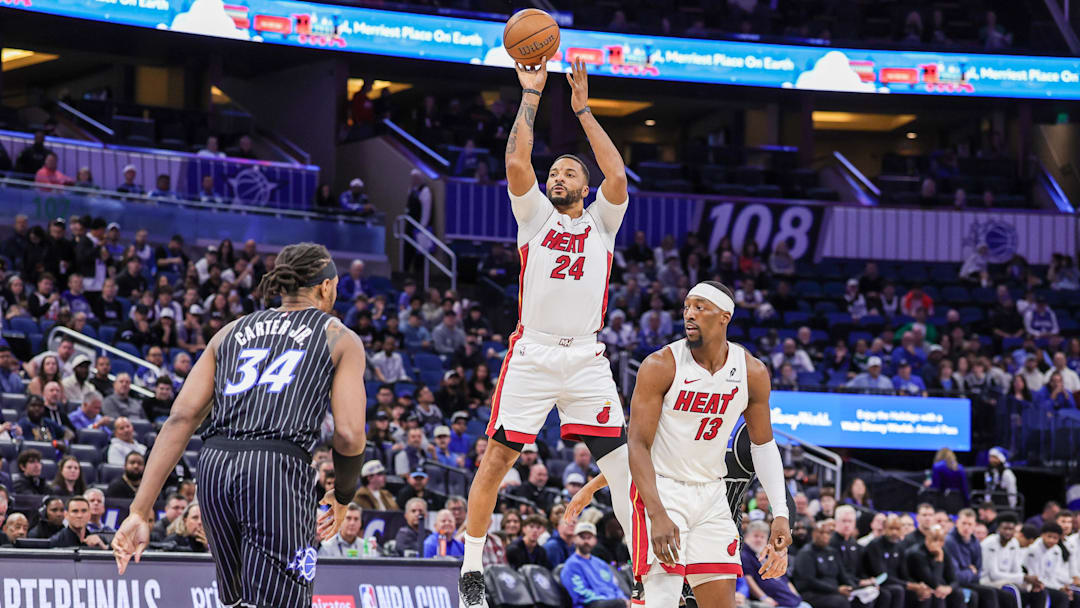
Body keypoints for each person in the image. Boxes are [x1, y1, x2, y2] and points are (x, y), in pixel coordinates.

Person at [458, 56, 636, 608]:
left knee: (625, 471)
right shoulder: (533, 216)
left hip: (586, 358)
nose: (558, 177)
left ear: (586, 188)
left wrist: (582, 110)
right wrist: (531, 97)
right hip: (532, 352)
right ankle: (470, 573)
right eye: (554, 172)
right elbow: (516, 158)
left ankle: (643, 573)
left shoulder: (603, 222)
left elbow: (619, 174)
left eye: (568, 173)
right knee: (496, 462)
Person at [111, 243, 369, 608]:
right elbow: (349, 433)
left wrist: (140, 511)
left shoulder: (230, 331)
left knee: (238, 602)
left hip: (215, 466)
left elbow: (181, 418)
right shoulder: (339, 336)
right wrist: (342, 495)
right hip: (274, 467)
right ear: (326, 287)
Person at [627, 280, 792, 606]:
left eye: (700, 307)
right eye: (687, 306)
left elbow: (763, 445)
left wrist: (781, 512)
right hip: (664, 489)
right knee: (662, 599)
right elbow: (636, 443)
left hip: (711, 495)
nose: (689, 314)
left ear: (724, 317)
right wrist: (657, 513)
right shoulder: (661, 364)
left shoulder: (752, 371)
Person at [948, 508, 1013, 608]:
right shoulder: (950, 541)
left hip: (971, 582)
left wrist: (969, 571)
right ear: (957, 523)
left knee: (1005, 596)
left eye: (970, 524)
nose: (966, 527)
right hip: (955, 584)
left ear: (974, 526)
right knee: (986, 594)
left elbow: (978, 572)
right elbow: (955, 576)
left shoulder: (975, 542)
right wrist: (970, 571)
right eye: (963, 523)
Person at [864, 515, 932, 608]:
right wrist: (909, 585)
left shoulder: (899, 547)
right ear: (884, 529)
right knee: (897, 590)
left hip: (897, 583)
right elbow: (881, 575)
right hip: (879, 583)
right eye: (891, 528)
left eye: (897, 529)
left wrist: (918, 586)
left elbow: (904, 574)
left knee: (926, 592)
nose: (894, 532)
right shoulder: (875, 545)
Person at [981, 513, 1046, 608]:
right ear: (998, 529)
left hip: (1008, 580)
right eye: (1005, 528)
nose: (1007, 532)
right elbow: (994, 575)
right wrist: (1023, 578)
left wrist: (1030, 582)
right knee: (1012, 590)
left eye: (1010, 529)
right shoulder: (989, 543)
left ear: (1015, 530)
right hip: (988, 581)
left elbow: (1017, 570)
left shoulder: (1014, 543)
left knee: (1037, 590)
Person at [560, 521, 629, 608]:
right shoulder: (571, 565)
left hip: (612, 603)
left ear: (595, 540)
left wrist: (623, 599)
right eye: (582, 537)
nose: (586, 541)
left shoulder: (601, 564)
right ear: (574, 538)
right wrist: (610, 600)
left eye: (589, 537)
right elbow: (580, 594)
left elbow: (614, 586)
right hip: (591, 604)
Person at [792, 519, 859, 608]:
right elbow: (809, 581)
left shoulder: (833, 552)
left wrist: (854, 588)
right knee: (840, 602)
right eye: (821, 532)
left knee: (860, 598)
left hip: (834, 591)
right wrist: (837, 590)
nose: (824, 536)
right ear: (814, 534)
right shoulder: (806, 553)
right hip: (812, 593)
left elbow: (843, 575)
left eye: (827, 533)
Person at [742, 520, 808, 608]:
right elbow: (748, 579)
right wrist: (764, 597)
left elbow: (785, 580)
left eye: (762, 537)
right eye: (755, 536)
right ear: (746, 537)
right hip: (773, 602)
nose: (759, 539)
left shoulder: (767, 554)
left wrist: (796, 596)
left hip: (791, 599)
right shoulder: (745, 555)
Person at [905, 526, 965, 608]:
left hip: (936, 586)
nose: (937, 544)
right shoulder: (917, 553)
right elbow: (932, 581)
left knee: (958, 593)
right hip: (919, 586)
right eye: (934, 540)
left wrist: (949, 588)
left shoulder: (943, 550)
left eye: (941, 540)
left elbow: (953, 578)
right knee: (934, 595)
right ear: (927, 539)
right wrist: (939, 560)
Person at [1021, 524, 1075, 608]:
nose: (1051, 540)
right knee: (1060, 596)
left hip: (1049, 585)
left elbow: (1054, 575)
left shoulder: (1057, 550)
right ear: (1042, 535)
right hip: (1032, 586)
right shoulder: (1033, 549)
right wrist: (1058, 588)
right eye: (1049, 536)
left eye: (1055, 538)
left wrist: (1061, 587)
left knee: (1069, 595)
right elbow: (1035, 577)